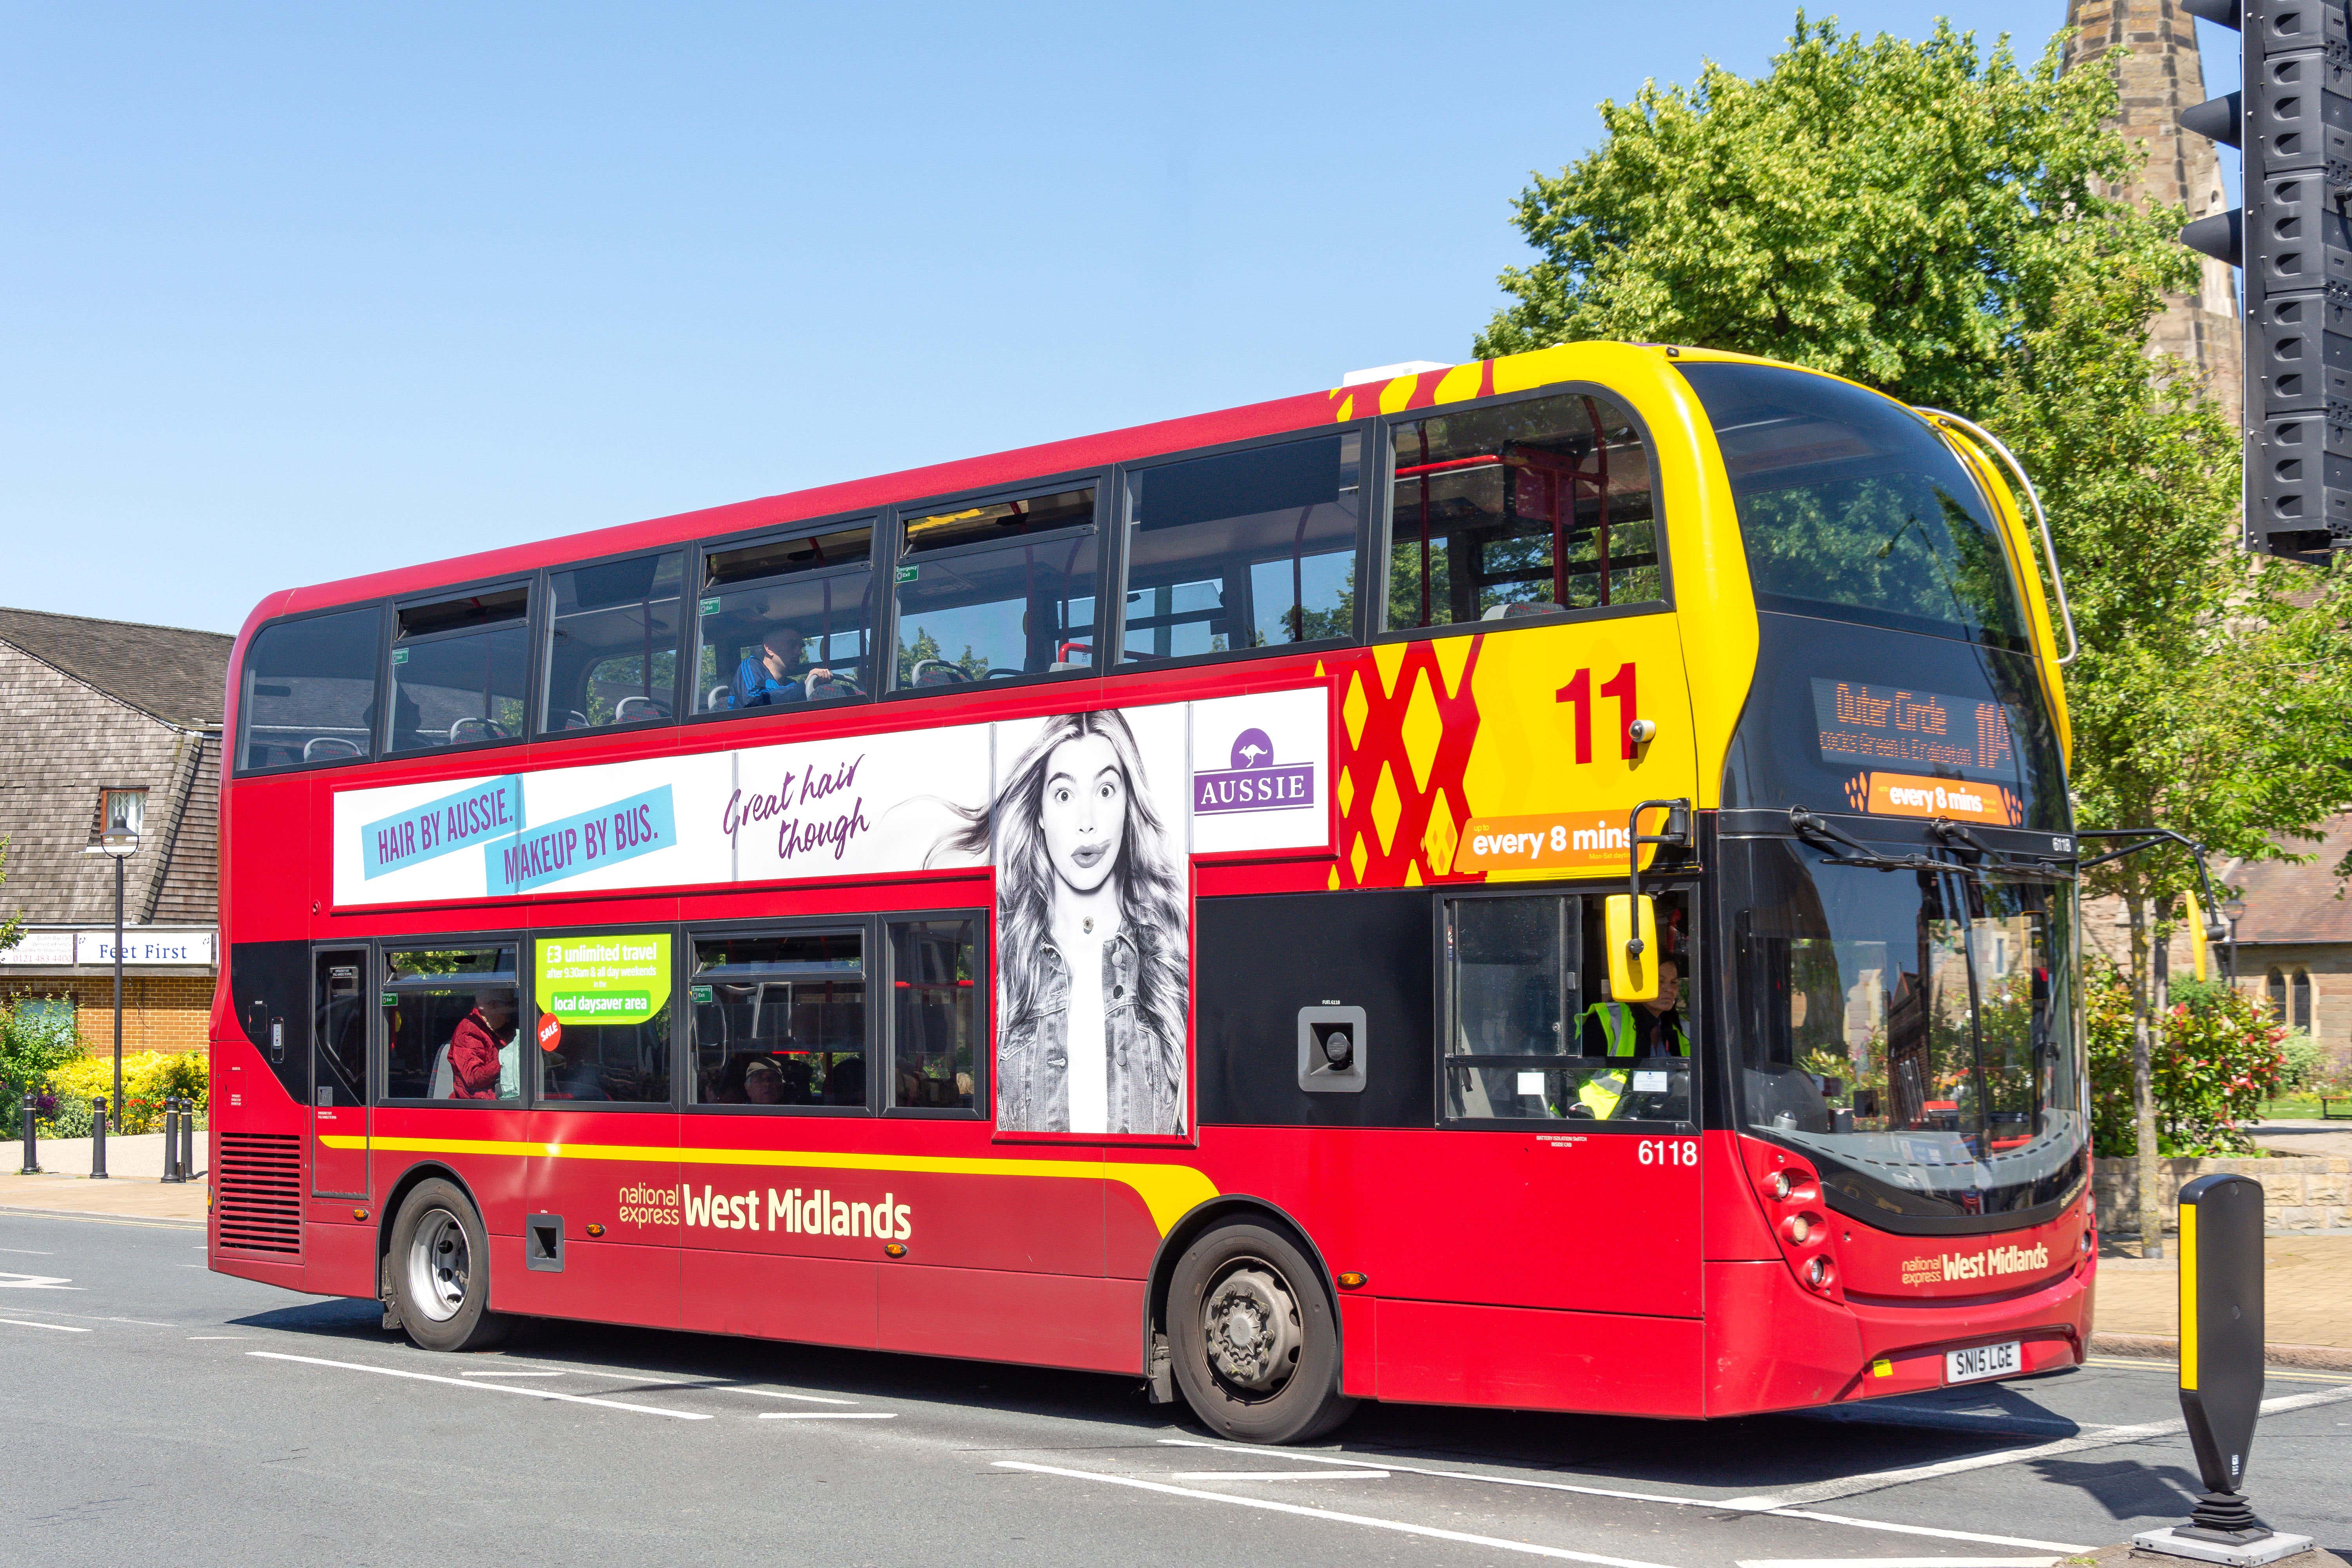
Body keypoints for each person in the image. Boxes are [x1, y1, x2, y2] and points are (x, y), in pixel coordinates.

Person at [933, 708, 1187, 1135]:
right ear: (1040, 813)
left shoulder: (1168, 959)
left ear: (1129, 804)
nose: (1087, 822)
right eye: (1065, 795)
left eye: (1106, 790)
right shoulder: (1005, 964)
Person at [1579, 957, 1689, 1058]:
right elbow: (1582, 1076)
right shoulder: (1607, 1022)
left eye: (1674, 982)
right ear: (1638, 982)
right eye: (1659, 981)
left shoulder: (1685, 1029)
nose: (1669, 989)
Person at [730, 623, 843, 708]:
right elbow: (752, 701)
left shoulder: (791, 685)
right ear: (769, 649)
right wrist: (803, 686)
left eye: (800, 647)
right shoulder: (751, 666)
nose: (799, 652)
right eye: (792, 645)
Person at [447, 990, 517, 1100]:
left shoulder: (502, 1029)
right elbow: (473, 1077)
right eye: (506, 1013)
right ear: (493, 1006)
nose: (509, 1018)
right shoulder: (469, 1029)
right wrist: (505, 1060)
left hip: (500, 1099)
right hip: (476, 1105)